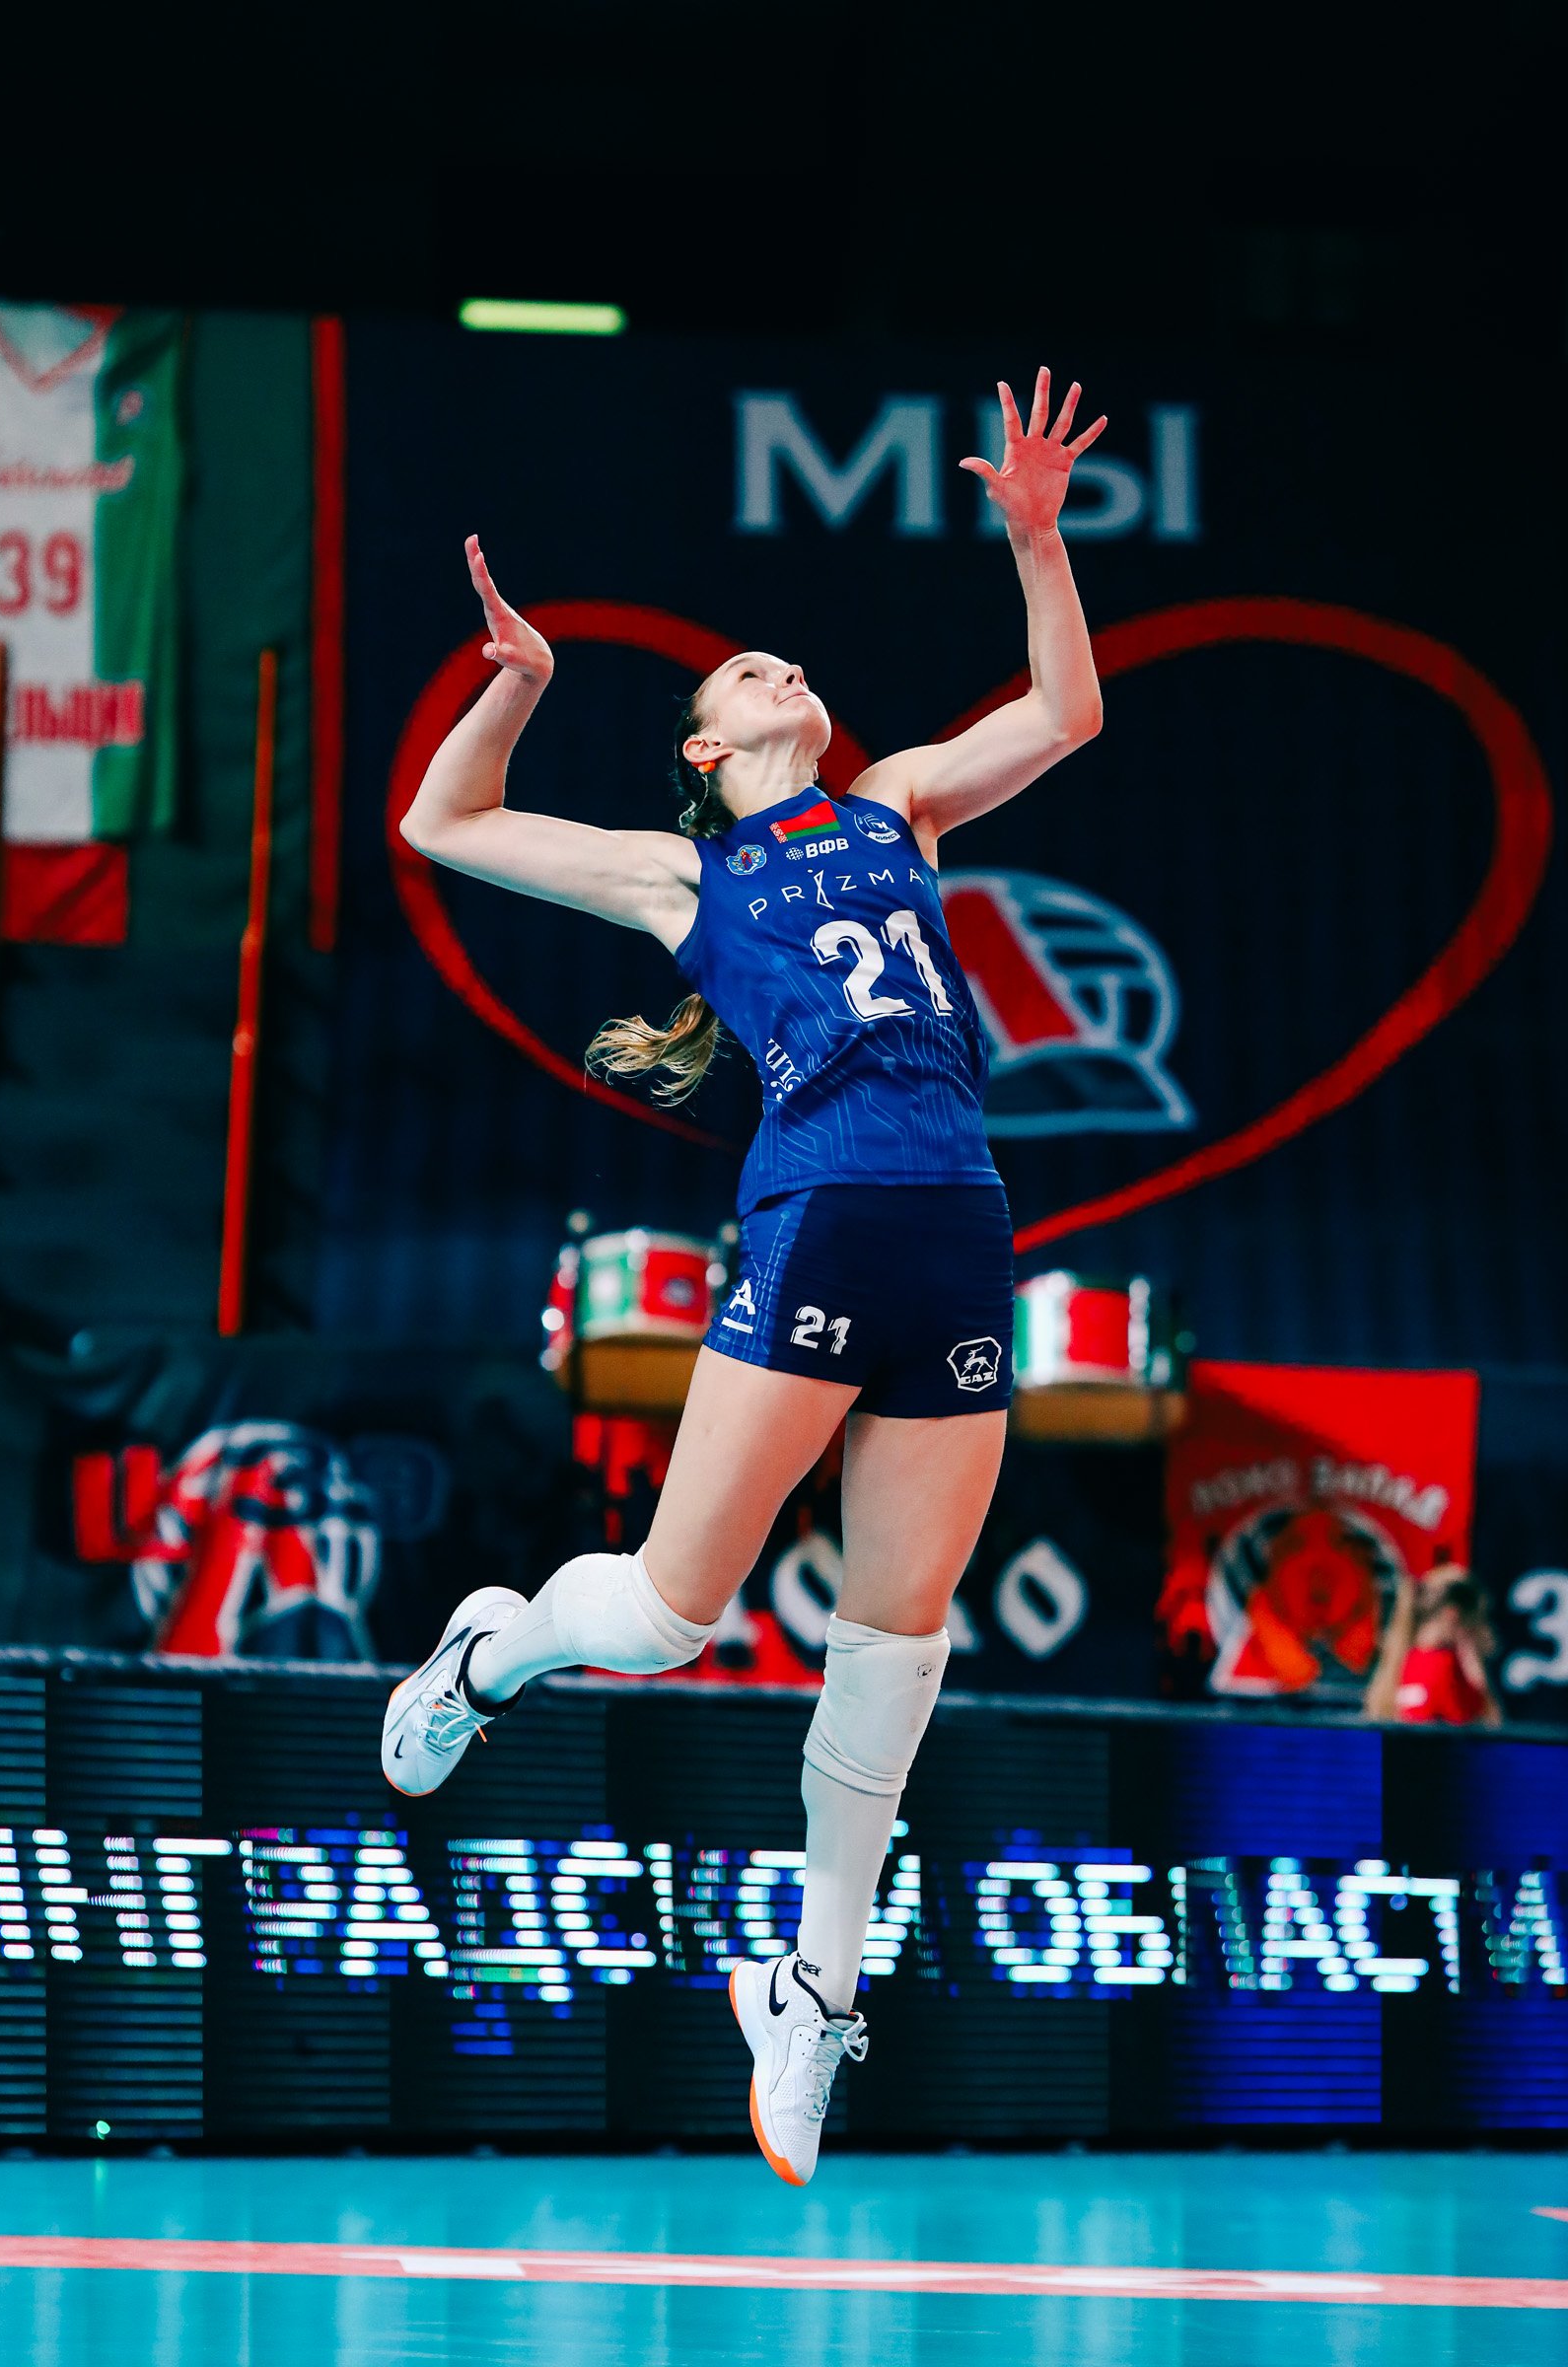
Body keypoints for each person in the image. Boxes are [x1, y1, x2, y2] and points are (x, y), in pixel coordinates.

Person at [381, 367, 1107, 2184]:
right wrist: (519, 683)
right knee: (666, 1618)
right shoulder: (681, 876)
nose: (782, 671)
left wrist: (1038, 544)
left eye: (788, 664)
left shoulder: (899, 806)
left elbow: (1067, 711)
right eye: (745, 676)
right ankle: (493, 1649)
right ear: (706, 750)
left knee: (901, 1643)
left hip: (960, 1225)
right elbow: (444, 828)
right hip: (818, 1215)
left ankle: (812, 1989)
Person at [1363, 1553, 1503, 1727]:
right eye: (1478, 1620)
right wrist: (1476, 1671)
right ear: (1454, 1615)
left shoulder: (1404, 1662)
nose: (1484, 1632)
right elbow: (1491, 1727)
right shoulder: (1449, 1667)